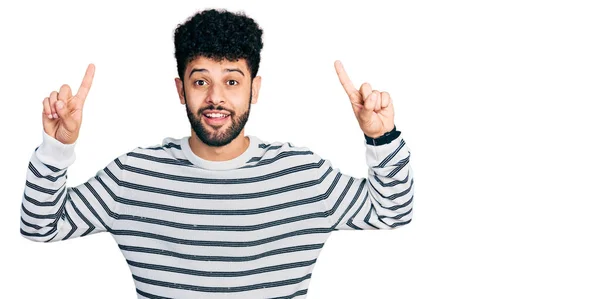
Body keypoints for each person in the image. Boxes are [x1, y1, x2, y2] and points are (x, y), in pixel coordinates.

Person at [20, 8, 414, 299]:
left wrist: (381, 138)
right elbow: (40, 226)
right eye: (200, 81)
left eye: (232, 81)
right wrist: (57, 148)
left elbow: (392, 212)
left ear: (254, 90)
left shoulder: (302, 176)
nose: (216, 98)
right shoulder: (133, 176)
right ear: (180, 90)